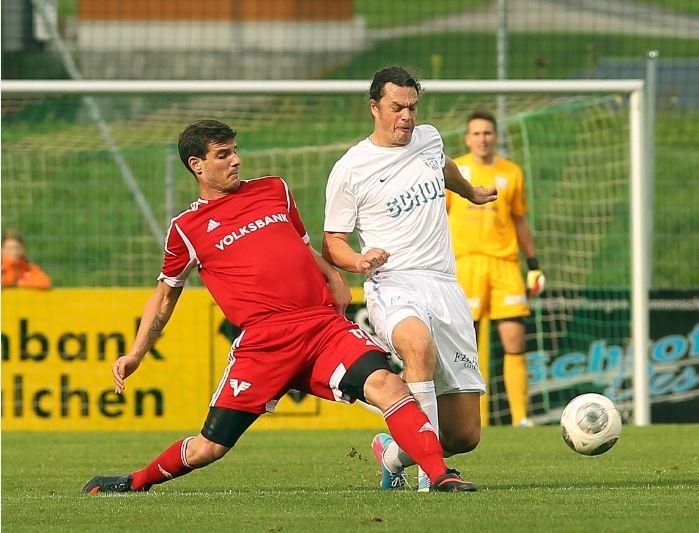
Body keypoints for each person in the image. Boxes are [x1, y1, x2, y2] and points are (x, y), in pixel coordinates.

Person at [82, 119, 475, 495]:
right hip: (265, 343)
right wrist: (136, 353)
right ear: (196, 165)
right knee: (209, 447)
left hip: (321, 327)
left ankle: (439, 475)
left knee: (388, 384)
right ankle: (136, 481)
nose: (235, 160)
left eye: (235, 151)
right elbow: (164, 297)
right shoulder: (187, 228)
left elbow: (302, 246)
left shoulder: (274, 189)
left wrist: (334, 277)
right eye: (223, 155)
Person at [323, 66, 497, 491]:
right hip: (393, 283)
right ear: (374, 107)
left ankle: (393, 452)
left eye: (412, 107)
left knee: (464, 435)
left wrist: (469, 191)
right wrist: (359, 261)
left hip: (445, 287)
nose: (406, 116)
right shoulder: (351, 168)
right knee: (417, 346)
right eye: (397, 107)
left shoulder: (429, 139)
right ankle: (432, 478)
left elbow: (443, 166)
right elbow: (332, 242)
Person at [446, 109, 545, 427]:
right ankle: (467, 418)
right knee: (464, 346)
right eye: (476, 133)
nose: (482, 139)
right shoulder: (454, 170)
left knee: (515, 341)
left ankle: (521, 419)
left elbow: (519, 219)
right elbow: (439, 217)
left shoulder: (511, 172)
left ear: (496, 137)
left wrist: (533, 264)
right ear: (467, 138)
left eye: (487, 133)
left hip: (504, 265)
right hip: (466, 264)